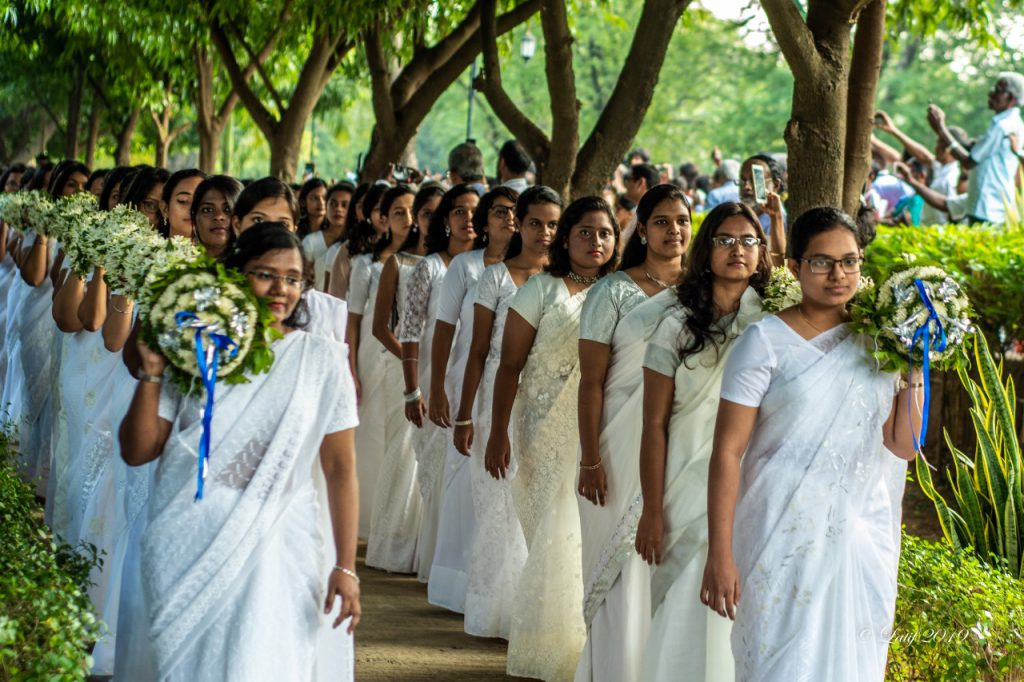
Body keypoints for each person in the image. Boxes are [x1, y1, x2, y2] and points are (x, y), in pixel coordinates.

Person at [119, 223, 360, 681]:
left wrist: (347, 567)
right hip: (186, 543)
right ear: (234, 276)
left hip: (280, 552)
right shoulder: (197, 348)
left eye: (292, 279)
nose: (281, 290)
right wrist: (151, 372)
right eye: (265, 274)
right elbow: (138, 451)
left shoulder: (323, 360)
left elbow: (341, 467)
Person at [700, 207, 923, 681]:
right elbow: (726, 452)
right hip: (778, 529)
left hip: (858, 537)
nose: (838, 274)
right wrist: (719, 553)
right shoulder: (763, 342)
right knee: (776, 660)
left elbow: (902, 446)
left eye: (850, 261)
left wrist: (916, 367)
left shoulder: (880, 343)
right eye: (822, 262)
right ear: (796, 266)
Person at [634, 202, 770, 682]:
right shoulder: (674, 325)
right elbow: (653, 425)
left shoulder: (774, 325)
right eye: (725, 240)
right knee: (682, 608)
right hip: (681, 489)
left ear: (763, 252)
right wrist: (652, 509)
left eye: (749, 241)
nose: (738, 250)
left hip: (750, 486)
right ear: (705, 249)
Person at [486, 196, 618, 682]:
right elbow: (509, 367)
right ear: (567, 239)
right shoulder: (540, 290)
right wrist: (496, 431)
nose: (595, 241)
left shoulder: (625, 290)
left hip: (603, 427)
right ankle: (550, 645)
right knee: (551, 534)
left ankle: (591, 644)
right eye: (585, 232)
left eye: (605, 233)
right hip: (541, 426)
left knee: (592, 533)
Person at [574, 185, 689, 682]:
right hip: (617, 446)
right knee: (619, 567)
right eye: (661, 221)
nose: (674, 230)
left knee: (667, 559)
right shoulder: (611, 291)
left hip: (680, 441)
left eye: (682, 220)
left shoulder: (703, 291)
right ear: (641, 229)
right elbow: (592, 382)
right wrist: (590, 458)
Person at [453, 185, 562, 639]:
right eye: (535, 222)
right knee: (498, 505)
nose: (544, 232)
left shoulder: (563, 280)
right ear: (519, 222)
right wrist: (465, 415)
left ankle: (534, 615)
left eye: (553, 224)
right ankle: (493, 613)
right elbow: (478, 351)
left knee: (539, 507)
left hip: (550, 405)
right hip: (497, 400)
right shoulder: (495, 278)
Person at [426, 186, 517, 613]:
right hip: (469, 379)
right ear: (486, 221)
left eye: (517, 213)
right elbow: (445, 328)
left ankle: (499, 585)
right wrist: (440, 386)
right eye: (500, 212)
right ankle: (458, 583)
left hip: (516, 387)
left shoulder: (536, 270)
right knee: (465, 481)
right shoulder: (466, 266)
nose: (509, 220)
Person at [395, 184, 479, 584]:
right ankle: (431, 562)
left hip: (474, 379)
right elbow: (409, 331)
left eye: (473, 212)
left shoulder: (491, 267)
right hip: (432, 379)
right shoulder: (429, 268)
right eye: (459, 212)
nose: (467, 219)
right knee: (433, 472)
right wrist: (414, 390)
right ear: (446, 220)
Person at [363, 184, 424, 573]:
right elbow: (380, 325)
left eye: (414, 212)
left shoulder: (445, 262)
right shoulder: (395, 264)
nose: (409, 219)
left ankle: (420, 541)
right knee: (399, 450)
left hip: (436, 370)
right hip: (398, 363)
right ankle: (389, 541)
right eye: (399, 212)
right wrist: (412, 360)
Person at [928, 72, 1024, 224]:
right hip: (991, 206)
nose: (990, 93)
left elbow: (969, 161)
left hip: (987, 208)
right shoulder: (1011, 122)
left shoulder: (1002, 126)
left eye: (998, 90)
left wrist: (941, 128)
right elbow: (975, 150)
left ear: (1011, 98)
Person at [872, 110, 968, 224]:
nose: (935, 148)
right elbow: (922, 154)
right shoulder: (941, 168)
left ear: (948, 149)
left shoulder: (958, 174)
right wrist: (893, 130)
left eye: (939, 144)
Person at [738, 154, 788, 261]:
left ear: (776, 185)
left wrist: (776, 219)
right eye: (743, 180)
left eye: (755, 181)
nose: (747, 187)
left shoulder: (781, 221)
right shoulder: (740, 216)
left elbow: (778, 264)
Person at [306, 181, 354, 291]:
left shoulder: (357, 244)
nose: (338, 209)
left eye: (344, 205)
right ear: (326, 207)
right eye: (333, 204)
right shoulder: (311, 241)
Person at [191, 175, 244, 259]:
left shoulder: (254, 268)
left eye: (228, 209)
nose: (219, 216)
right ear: (194, 219)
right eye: (207, 210)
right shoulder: (178, 266)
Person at [159, 169, 206, 239]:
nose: (193, 209)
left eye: (201, 202)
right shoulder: (143, 249)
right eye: (184, 201)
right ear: (165, 209)